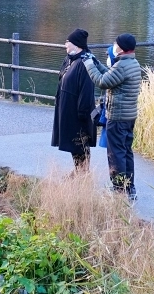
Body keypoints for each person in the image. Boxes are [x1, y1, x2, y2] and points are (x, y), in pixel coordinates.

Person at [85, 33, 141, 198]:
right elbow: (110, 75)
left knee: (115, 154)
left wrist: (89, 64)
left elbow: (102, 81)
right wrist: (96, 63)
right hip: (129, 117)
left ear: (121, 48)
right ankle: (129, 187)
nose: (113, 47)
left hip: (117, 117)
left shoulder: (122, 66)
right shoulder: (132, 63)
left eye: (115, 44)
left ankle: (119, 189)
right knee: (125, 152)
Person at [51, 29, 98, 172]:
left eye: (68, 41)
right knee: (72, 142)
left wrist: (83, 112)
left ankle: (83, 173)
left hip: (79, 110)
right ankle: (78, 171)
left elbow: (87, 89)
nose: (65, 44)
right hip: (67, 108)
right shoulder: (69, 59)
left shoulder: (85, 62)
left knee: (80, 142)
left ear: (76, 44)